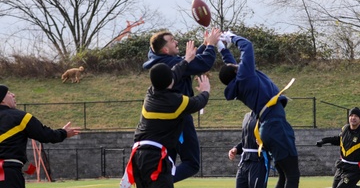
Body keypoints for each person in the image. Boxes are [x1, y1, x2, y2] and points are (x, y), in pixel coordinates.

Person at [123, 40, 211, 188]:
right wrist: (205, 91)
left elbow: (176, 72)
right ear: (171, 80)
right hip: (154, 158)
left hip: (139, 154)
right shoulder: (175, 101)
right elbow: (198, 103)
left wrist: (187, 59)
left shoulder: (150, 93)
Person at [218, 32, 300, 188]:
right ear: (236, 72)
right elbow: (247, 46)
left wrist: (221, 47)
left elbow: (230, 65)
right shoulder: (244, 76)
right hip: (275, 125)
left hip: (266, 129)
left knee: (283, 175)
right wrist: (232, 37)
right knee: (292, 175)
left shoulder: (238, 82)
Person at [142, 28, 221, 182]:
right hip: (178, 117)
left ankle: (158, 182)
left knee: (168, 162)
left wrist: (204, 45)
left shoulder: (163, 61)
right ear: (165, 49)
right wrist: (211, 46)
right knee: (192, 163)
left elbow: (189, 61)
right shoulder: (170, 62)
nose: (176, 41)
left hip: (164, 122)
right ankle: (158, 183)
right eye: (172, 40)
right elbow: (202, 63)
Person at [0, 85, 80, 188]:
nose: (13, 95)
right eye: (9, 93)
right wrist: (63, 133)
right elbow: (45, 135)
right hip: (8, 173)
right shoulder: (20, 117)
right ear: (2, 99)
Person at [316, 107, 360, 188]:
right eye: (351, 115)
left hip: (355, 169)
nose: (353, 118)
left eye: (356, 116)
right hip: (342, 166)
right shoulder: (345, 128)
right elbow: (339, 140)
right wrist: (324, 141)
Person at [228, 112, 270, 188]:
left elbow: (275, 140)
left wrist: (264, 144)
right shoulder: (247, 116)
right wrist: (236, 149)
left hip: (258, 162)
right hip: (244, 162)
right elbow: (246, 139)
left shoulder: (267, 115)